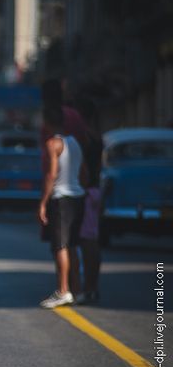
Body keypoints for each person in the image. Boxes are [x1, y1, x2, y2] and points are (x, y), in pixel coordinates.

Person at [38, 106, 86, 309]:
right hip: (77, 196)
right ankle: (77, 290)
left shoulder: (53, 143)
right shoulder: (75, 143)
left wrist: (43, 202)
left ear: (48, 124)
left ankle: (63, 290)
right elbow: (85, 172)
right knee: (72, 245)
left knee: (60, 246)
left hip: (61, 198)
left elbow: (51, 174)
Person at [74, 97, 104, 304]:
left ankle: (88, 287)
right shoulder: (97, 137)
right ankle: (92, 287)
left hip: (85, 191)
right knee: (91, 241)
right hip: (95, 190)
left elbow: (83, 167)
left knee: (87, 243)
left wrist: (81, 189)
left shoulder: (83, 137)